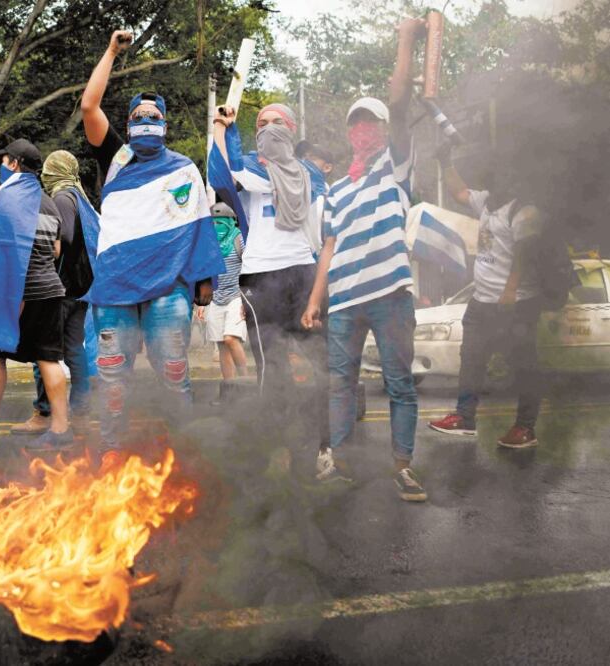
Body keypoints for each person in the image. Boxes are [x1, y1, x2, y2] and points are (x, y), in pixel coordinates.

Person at [301, 18, 428, 502]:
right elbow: (328, 247)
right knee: (340, 385)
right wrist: (316, 301)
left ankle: (403, 467)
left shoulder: (395, 168)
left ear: (384, 129)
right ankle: (336, 463)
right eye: (356, 122)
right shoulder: (337, 189)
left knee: (399, 384)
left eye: (371, 121)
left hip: (391, 296)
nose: (363, 129)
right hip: (345, 300)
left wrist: (404, 42)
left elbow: (398, 100)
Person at [81, 30, 224, 451]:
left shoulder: (183, 169)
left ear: (164, 124)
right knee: (112, 380)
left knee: (174, 374)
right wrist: (110, 51)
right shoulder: (115, 158)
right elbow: (89, 105)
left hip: (167, 290)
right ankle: (111, 456)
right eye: (138, 116)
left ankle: (183, 457)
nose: (146, 120)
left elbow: (198, 225)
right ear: (127, 126)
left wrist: (202, 283)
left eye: (153, 116)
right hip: (114, 289)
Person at [210, 103, 329, 450]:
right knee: (270, 365)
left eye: (278, 123)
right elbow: (222, 174)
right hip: (261, 277)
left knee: (319, 361)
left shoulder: (309, 172)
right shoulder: (247, 167)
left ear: (291, 130)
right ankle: (275, 441)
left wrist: (238, 145)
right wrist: (224, 130)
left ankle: (323, 445)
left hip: (304, 273)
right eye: (262, 124)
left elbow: (321, 210)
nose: (270, 128)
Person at [0, 139, 72, 454]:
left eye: (4, 161)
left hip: (17, 290)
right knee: (49, 358)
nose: (1, 167)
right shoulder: (49, 202)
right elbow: (57, 249)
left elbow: (6, 250)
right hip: (50, 289)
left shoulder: (8, 197)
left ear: (15, 163)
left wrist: (7, 304)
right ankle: (61, 430)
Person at [427, 145, 545, 448]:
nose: (486, 182)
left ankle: (525, 427)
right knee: (471, 360)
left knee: (522, 365)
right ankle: (464, 418)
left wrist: (509, 291)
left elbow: (525, 254)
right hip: (481, 300)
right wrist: (445, 162)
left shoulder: (523, 211)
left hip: (514, 304)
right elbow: (460, 192)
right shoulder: (487, 203)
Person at [13, 150, 99, 439]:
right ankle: (82, 414)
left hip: (59, 288)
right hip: (79, 289)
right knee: (76, 351)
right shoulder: (80, 197)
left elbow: (65, 236)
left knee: (45, 349)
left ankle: (44, 412)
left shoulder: (62, 197)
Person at [195, 202, 248, 403]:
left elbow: (249, 265)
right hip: (215, 299)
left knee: (230, 339)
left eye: (222, 221)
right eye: (213, 221)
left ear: (231, 221)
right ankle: (229, 392)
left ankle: (246, 386)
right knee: (221, 346)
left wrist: (247, 298)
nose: (217, 225)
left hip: (236, 296)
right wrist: (200, 304)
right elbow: (203, 271)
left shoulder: (238, 238)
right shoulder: (208, 243)